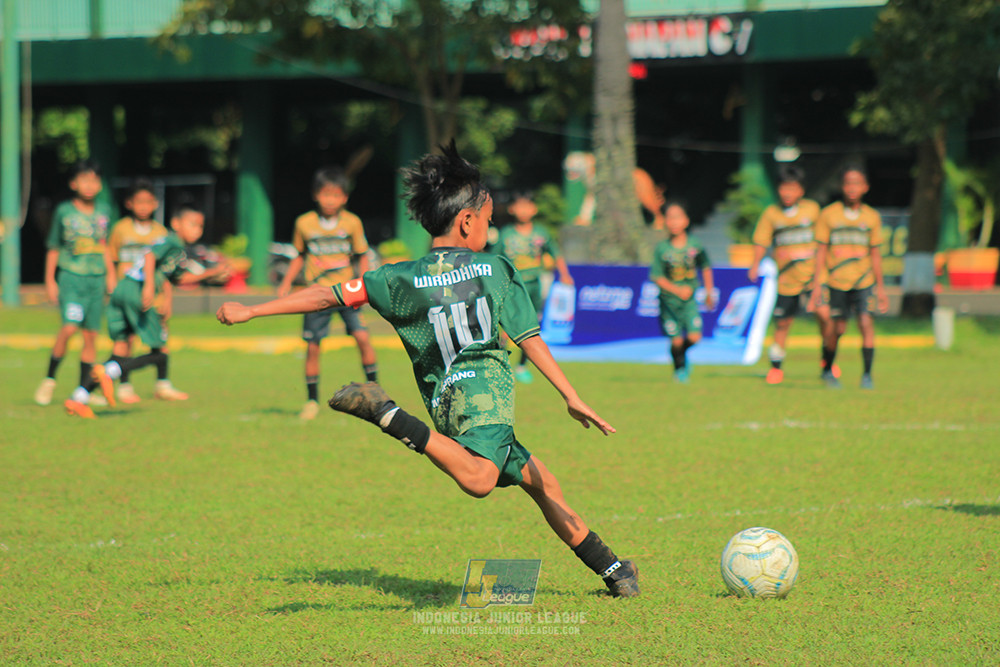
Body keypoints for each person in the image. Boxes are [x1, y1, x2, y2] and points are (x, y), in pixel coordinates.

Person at [217, 142, 639, 598]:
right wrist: (570, 395)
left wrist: (253, 311)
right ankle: (388, 415)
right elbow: (528, 338)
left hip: (446, 403)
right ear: (466, 221)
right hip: (486, 396)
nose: (491, 228)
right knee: (479, 480)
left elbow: (326, 294)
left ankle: (614, 570)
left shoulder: (397, 277)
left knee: (542, 481)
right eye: (488, 220)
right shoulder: (494, 268)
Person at [64, 203, 230, 418]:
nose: (197, 230)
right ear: (175, 223)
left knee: (121, 350)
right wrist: (150, 287)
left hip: (123, 289)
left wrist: (211, 273)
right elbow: (150, 257)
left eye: (200, 226)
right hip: (136, 290)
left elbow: (178, 278)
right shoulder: (170, 240)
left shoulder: (178, 249)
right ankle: (109, 372)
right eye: (192, 224)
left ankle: (78, 398)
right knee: (159, 353)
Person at [276, 167, 378, 420]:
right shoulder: (304, 223)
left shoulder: (352, 223)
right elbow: (299, 256)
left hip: (346, 293)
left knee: (363, 338)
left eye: (336, 195)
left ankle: (376, 393)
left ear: (345, 197)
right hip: (317, 294)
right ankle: (311, 401)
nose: (330, 200)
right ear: (315, 195)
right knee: (312, 346)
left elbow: (362, 255)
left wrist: (366, 284)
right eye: (325, 194)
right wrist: (287, 282)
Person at [34, 160, 115, 407]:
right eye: (84, 179)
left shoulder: (105, 211)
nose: (89, 185)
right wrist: (49, 280)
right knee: (69, 328)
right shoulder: (64, 212)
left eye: (94, 180)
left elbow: (106, 247)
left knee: (91, 336)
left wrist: (111, 275)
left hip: (96, 279)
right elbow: (54, 247)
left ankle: (84, 391)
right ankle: (49, 380)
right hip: (71, 278)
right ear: (73, 183)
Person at [749, 165, 836, 385]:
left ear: (801, 190)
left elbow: (824, 241)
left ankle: (828, 361)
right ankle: (776, 368)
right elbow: (761, 241)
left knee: (825, 316)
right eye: (783, 188)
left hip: (815, 277)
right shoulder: (772, 213)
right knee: (782, 324)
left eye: (792, 188)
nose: (787, 193)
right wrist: (754, 264)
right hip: (788, 280)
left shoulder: (813, 210)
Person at [808, 165, 889, 389]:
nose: (852, 188)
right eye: (848, 183)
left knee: (865, 323)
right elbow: (821, 250)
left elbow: (875, 254)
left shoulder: (871, 217)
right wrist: (817, 284)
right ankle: (827, 370)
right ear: (842, 187)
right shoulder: (829, 215)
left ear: (865, 187)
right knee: (837, 328)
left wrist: (881, 288)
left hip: (864, 281)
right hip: (837, 282)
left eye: (857, 183)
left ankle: (867, 375)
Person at [106, 178, 187, 403]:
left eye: (148, 201)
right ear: (129, 203)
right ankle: (124, 386)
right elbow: (110, 256)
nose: (143, 206)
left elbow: (167, 271)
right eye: (138, 201)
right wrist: (112, 283)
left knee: (159, 339)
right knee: (126, 340)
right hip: (129, 292)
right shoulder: (120, 228)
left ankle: (162, 384)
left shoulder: (161, 232)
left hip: (154, 295)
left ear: (155, 204)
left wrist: (168, 299)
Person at [490, 190, 574, 383]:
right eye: (519, 206)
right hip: (511, 287)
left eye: (527, 206)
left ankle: (522, 366)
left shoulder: (541, 233)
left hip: (534, 287)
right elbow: (494, 259)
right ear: (512, 209)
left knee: (531, 329)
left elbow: (556, 253)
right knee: (504, 329)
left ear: (534, 209)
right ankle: (499, 365)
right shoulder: (506, 234)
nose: (523, 210)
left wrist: (565, 274)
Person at [649, 200, 715, 383]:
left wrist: (709, 291)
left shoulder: (695, 245)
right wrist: (676, 290)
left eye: (677, 217)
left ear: (686, 220)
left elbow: (706, 266)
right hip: (669, 303)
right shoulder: (662, 249)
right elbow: (656, 276)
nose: (674, 222)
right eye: (670, 218)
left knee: (694, 337)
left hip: (689, 302)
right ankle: (679, 369)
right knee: (676, 340)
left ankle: (681, 357)